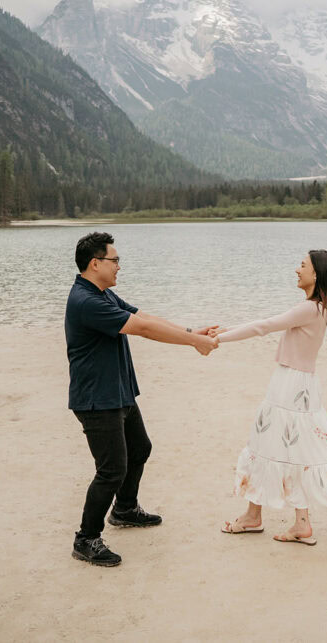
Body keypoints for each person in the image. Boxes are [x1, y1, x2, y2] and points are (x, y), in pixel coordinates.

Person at [65, 232, 218, 567]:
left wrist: (190, 332)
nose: (119, 266)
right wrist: (193, 343)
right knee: (111, 470)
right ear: (95, 263)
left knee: (140, 448)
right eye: (115, 260)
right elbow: (143, 330)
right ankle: (86, 538)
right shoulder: (87, 301)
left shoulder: (103, 294)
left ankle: (124, 509)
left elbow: (145, 317)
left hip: (117, 392)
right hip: (97, 399)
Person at [215, 249, 327, 545]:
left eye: (302, 265)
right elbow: (264, 323)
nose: (297, 270)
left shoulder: (310, 309)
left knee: (267, 444)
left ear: (315, 274)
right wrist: (224, 330)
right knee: (290, 449)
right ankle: (292, 521)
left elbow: (263, 326)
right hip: (301, 385)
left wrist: (218, 339)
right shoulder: (321, 307)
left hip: (290, 387)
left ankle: (257, 517)